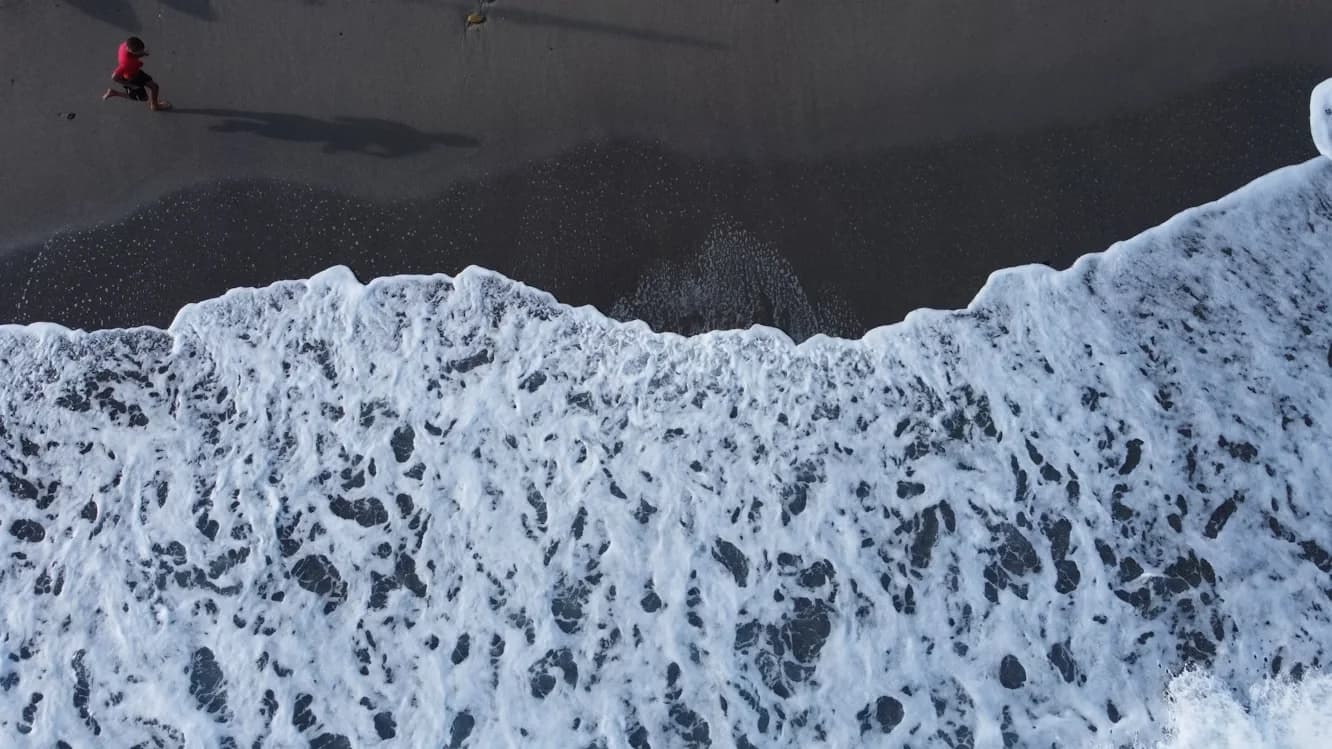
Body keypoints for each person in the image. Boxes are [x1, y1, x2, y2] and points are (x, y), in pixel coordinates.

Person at [102, 36, 170, 111]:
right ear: (130, 50)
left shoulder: (125, 45)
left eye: (142, 50)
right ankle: (114, 93)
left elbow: (135, 53)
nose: (141, 52)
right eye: (139, 51)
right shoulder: (126, 63)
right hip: (131, 79)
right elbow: (114, 77)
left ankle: (155, 106)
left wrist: (142, 53)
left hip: (136, 72)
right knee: (144, 98)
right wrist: (130, 85)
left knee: (155, 87)